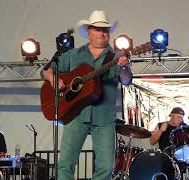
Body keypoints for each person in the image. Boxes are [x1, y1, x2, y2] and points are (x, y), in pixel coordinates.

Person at [42, 10, 132, 180]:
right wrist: (54, 79)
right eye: (98, 29)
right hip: (75, 115)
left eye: (105, 29)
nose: (102, 33)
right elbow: (45, 71)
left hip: (104, 118)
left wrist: (125, 67)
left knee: (105, 167)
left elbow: (126, 80)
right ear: (89, 32)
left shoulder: (116, 56)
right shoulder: (73, 55)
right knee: (65, 164)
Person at [150, 107, 189, 180]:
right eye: (178, 117)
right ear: (171, 115)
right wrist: (160, 131)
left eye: (182, 118)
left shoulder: (184, 127)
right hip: (166, 155)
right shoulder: (161, 125)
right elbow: (152, 141)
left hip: (182, 155)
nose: (180, 119)